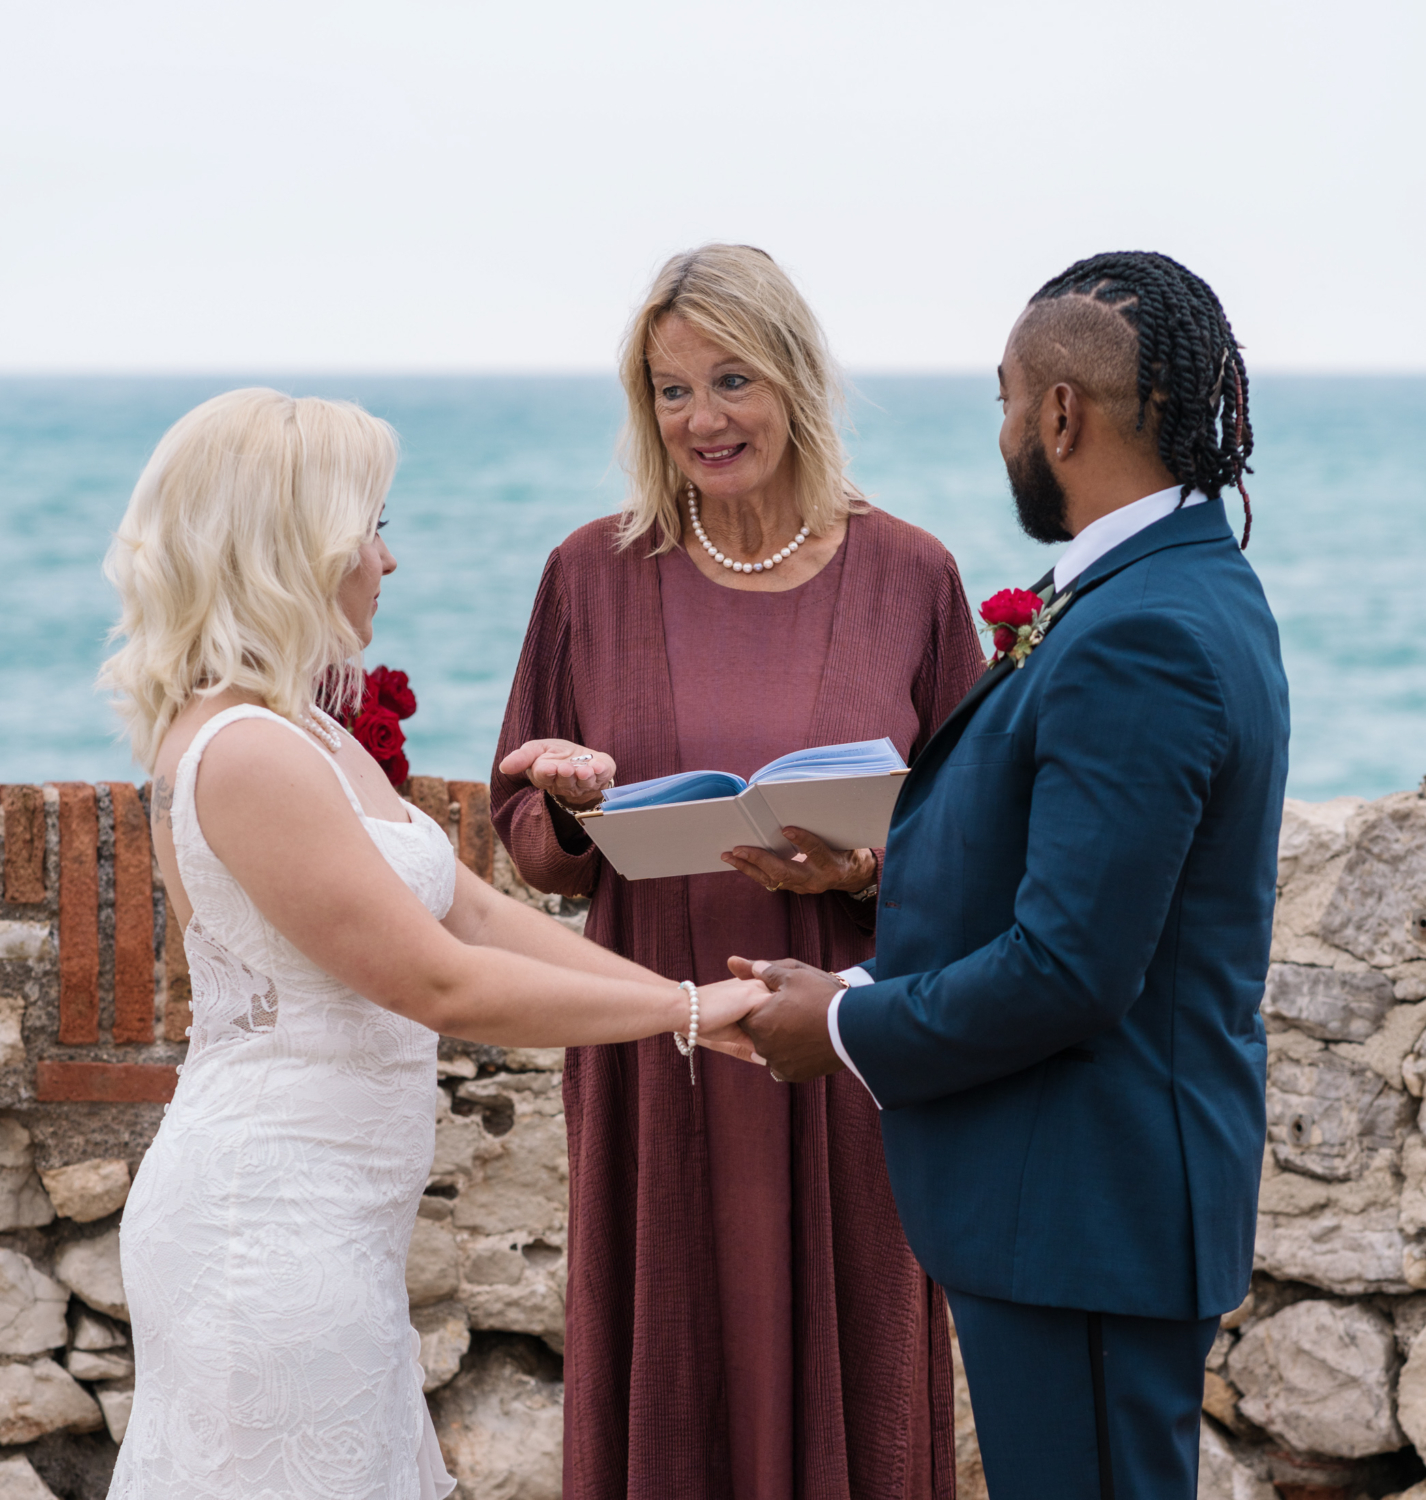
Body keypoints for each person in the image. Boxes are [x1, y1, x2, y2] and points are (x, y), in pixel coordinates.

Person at [99, 388, 764, 1500]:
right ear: (292, 545)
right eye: (372, 527)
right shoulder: (249, 752)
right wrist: (685, 1018)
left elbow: (477, 913)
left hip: (333, 1234)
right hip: (261, 1235)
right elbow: (436, 980)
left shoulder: (305, 727)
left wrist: (688, 994)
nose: (385, 561)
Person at [736, 251, 1290, 1500]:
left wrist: (842, 1021)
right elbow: (1076, 880)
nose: (1000, 434)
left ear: (1058, 413)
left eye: (1002, 402)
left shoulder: (1141, 630)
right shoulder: (1180, 584)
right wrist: (881, 912)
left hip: (1086, 1215)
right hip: (1085, 1205)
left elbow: (1070, 968)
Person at [492, 244, 982, 1499]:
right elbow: (526, 836)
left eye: (730, 379)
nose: (701, 418)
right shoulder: (589, 574)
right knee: (666, 1345)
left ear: (795, 380)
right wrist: (562, 800)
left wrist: (866, 869)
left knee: (850, 1344)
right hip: (652, 1032)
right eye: (668, 390)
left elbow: (980, 841)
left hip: (838, 1030)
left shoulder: (911, 576)